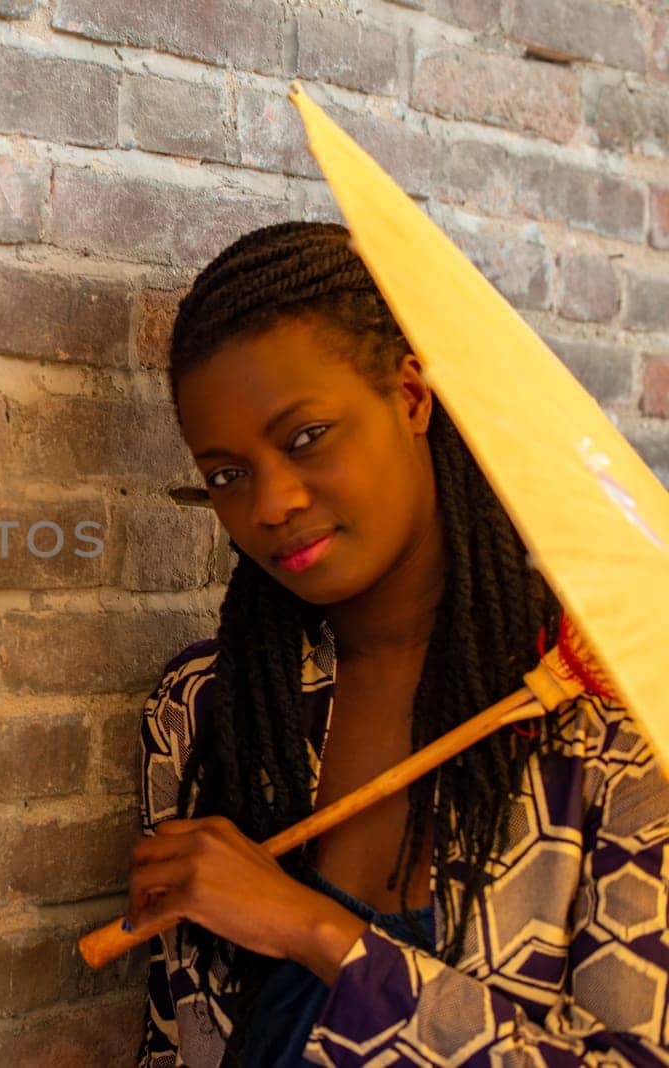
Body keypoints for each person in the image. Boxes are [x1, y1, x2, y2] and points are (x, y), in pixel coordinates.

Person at [130, 221, 669, 1066]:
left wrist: (318, 932)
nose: (269, 503)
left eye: (306, 437)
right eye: (227, 474)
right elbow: (175, 1038)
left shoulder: (609, 733)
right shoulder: (206, 715)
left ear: (412, 397)